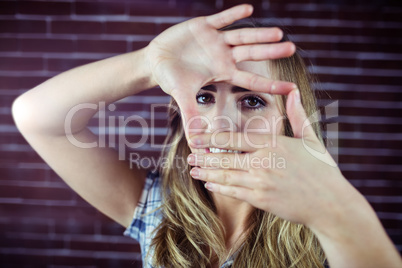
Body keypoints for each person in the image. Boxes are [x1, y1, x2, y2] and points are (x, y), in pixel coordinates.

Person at [12, 4, 401, 268]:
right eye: (204, 96)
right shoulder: (158, 212)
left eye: (252, 101)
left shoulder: (331, 239)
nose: (221, 122)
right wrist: (148, 64)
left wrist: (335, 212)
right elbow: (35, 115)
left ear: (288, 122)